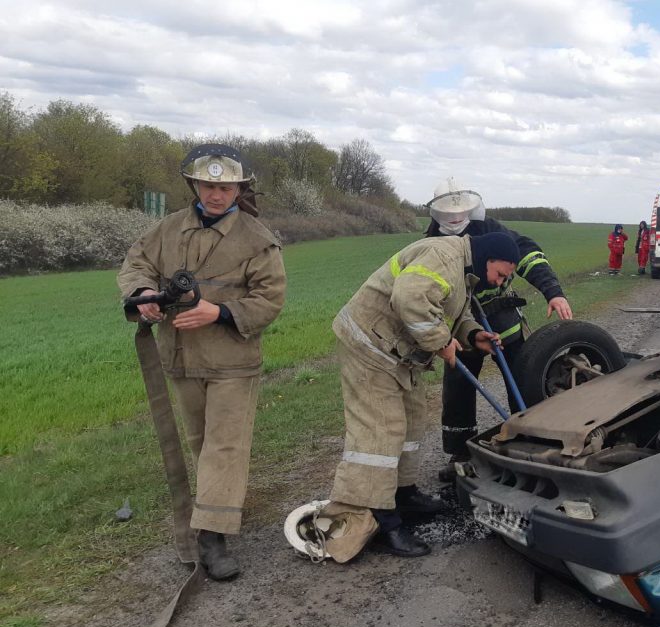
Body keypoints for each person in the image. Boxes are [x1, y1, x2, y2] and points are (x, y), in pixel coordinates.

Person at [118, 144, 286, 580]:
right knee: (200, 442)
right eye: (209, 185)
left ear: (238, 189)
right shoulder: (167, 229)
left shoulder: (257, 238)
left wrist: (220, 311)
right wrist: (142, 297)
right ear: (194, 185)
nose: (216, 195)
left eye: (225, 187)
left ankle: (211, 537)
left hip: (232, 361)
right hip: (178, 356)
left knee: (224, 446)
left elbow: (270, 299)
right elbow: (136, 264)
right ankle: (219, 509)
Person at [323, 232, 518, 560]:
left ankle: (403, 494)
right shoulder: (444, 258)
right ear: (489, 257)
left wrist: (472, 334)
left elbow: (447, 308)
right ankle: (382, 519)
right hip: (369, 345)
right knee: (381, 431)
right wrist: (442, 342)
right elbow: (410, 298)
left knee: (413, 422)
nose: (500, 281)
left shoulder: (462, 270)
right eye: (500, 273)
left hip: (397, 353)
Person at [423, 178, 572, 481]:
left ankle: (535, 438)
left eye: (460, 213)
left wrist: (552, 291)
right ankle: (460, 452)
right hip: (463, 329)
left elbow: (527, 254)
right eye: (448, 215)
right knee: (458, 390)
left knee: (523, 377)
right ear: (436, 214)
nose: (455, 219)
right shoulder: (431, 240)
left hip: (503, 322)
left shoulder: (490, 229)